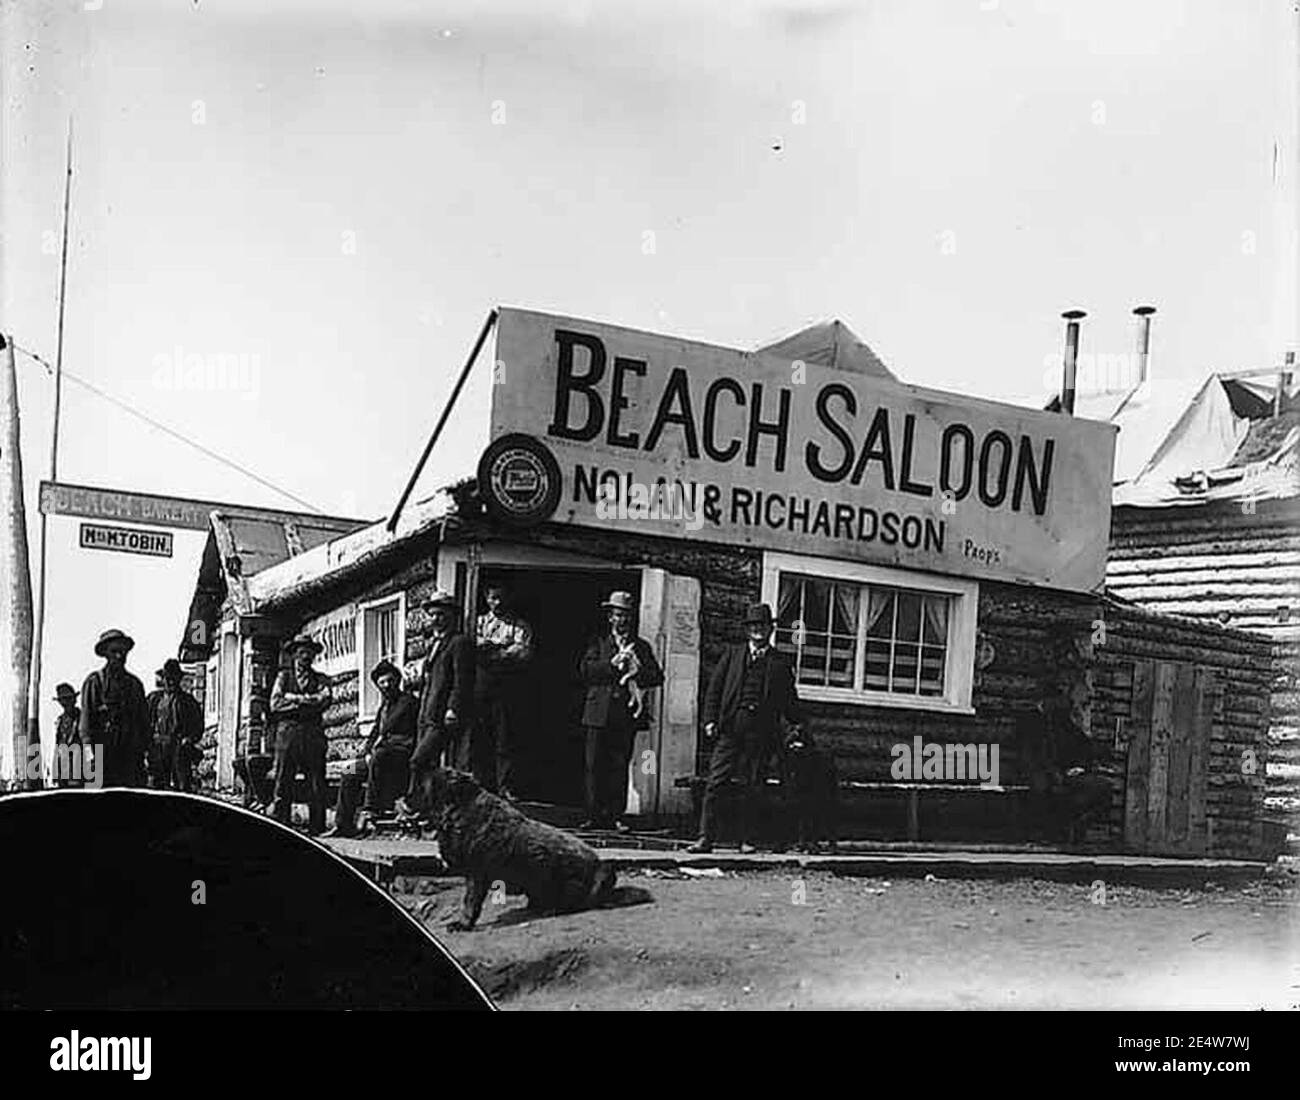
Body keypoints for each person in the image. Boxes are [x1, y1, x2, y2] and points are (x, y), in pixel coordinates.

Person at [687, 602, 804, 853]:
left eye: (762, 626)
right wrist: (709, 720)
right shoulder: (732, 655)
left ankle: (747, 840)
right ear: (747, 630)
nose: (758, 631)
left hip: (761, 735)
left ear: (770, 630)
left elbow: (790, 703)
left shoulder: (780, 664)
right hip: (730, 730)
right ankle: (705, 838)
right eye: (753, 626)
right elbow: (714, 690)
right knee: (716, 782)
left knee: (753, 786)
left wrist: (798, 727)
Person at [577, 591, 663, 832]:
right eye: (617, 615)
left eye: (625, 615)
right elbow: (586, 671)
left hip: (624, 715)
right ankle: (593, 815)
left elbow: (657, 676)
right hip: (597, 713)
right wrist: (612, 664)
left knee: (619, 764)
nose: (621, 620)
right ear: (610, 617)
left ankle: (615, 815)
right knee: (594, 765)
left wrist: (637, 670)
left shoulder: (641, 646)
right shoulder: (598, 642)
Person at [399, 590, 475, 816]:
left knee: (418, 761)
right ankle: (430, 809)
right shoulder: (433, 644)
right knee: (429, 764)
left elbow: (462, 681)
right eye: (433, 615)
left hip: (442, 715)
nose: (436, 619)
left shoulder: (459, 643)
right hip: (427, 714)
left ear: (452, 617)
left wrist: (453, 708)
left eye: (441, 614)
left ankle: (415, 804)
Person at [325, 659, 417, 838]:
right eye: (382, 682)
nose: (386, 685)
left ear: (397, 681)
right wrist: (366, 751)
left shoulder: (408, 702)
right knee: (349, 770)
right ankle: (343, 824)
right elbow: (375, 732)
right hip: (378, 755)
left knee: (379, 756)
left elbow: (397, 732)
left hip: (400, 754)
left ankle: (371, 809)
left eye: (390, 680)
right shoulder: (384, 706)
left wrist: (375, 751)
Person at [474, 581, 533, 799]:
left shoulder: (519, 625)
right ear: (486, 598)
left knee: (505, 737)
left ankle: (505, 785)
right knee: (480, 735)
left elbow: (522, 652)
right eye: (492, 597)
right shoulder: (477, 621)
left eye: (500, 597)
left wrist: (494, 650)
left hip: (507, 687)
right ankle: (481, 784)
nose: (496, 602)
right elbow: (474, 646)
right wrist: (500, 647)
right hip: (481, 686)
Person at [269, 637, 332, 835]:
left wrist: (294, 698)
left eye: (309, 652)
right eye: (301, 651)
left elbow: (325, 700)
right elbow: (275, 704)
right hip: (288, 734)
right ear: (294, 654)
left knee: (316, 782)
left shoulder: (321, 679)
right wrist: (308, 701)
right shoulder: (283, 678)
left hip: (313, 734)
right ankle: (281, 826)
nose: (306, 656)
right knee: (283, 780)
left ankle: (316, 829)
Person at [79, 628, 150, 788]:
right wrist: (90, 757)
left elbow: (144, 724)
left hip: (129, 759)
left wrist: (144, 755)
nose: (119, 656)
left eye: (123, 652)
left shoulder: (135, 685)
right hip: (100, 757)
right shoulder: (95, 683)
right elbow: (85, 726)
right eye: (115, 651)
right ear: (106, 654)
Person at [146, 659, 204, 791]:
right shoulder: (153, 699)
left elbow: (198, 726)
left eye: (174, 678)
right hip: (158, 748)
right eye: (168, 678)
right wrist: (148, 743)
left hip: (179, 749)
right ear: (163, 679)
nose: (171, 681)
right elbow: (144, 722)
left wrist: (189, 739)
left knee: (182, 787)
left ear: (179, 679)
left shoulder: (188, 702)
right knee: (157, 787)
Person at [50, 683, 82, 788]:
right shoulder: (60, 721)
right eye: (63, 700)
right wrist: (55, 771)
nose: (66, 703)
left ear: (74, 700)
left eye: (69, 699)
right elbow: (58, 746)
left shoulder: (82, 718)